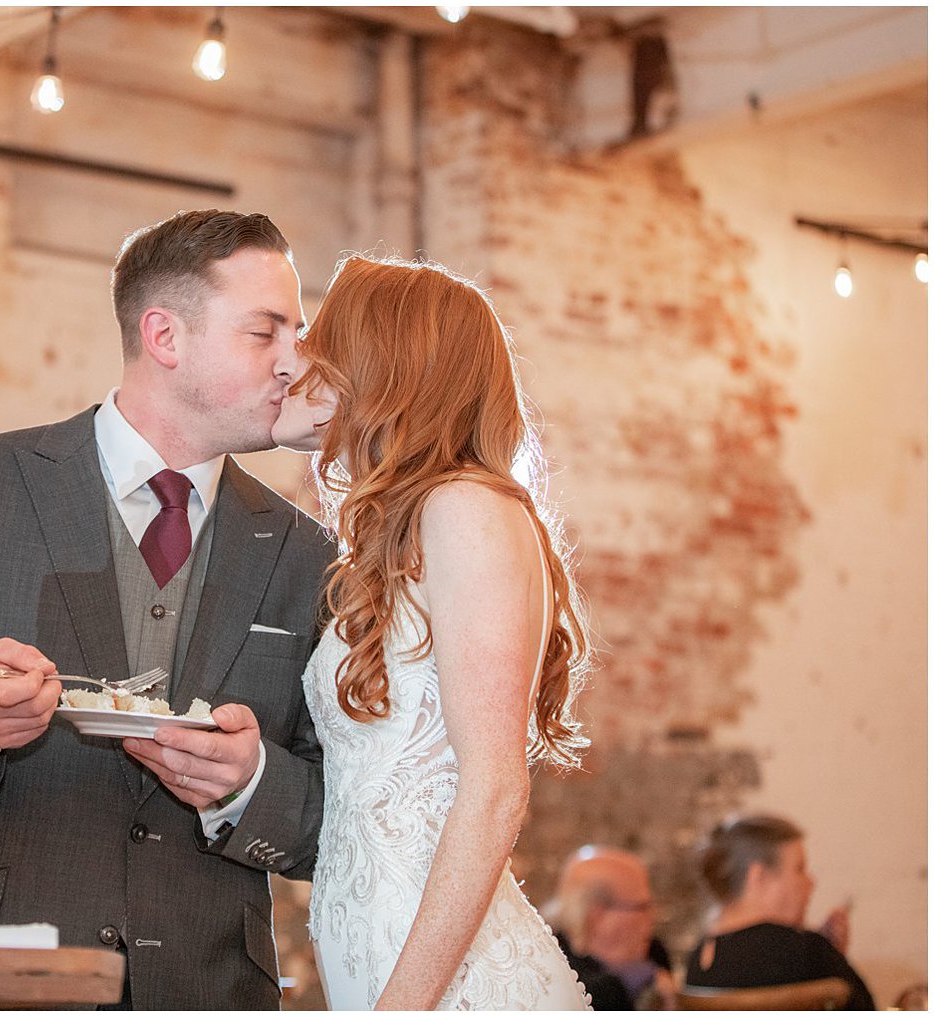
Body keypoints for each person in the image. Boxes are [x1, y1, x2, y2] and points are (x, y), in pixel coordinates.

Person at [0, 210, 334, 1009]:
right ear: (165, 337)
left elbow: (346, 818)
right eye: (265, 332)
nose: (294, 363)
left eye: (297, 333)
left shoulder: (309, 552)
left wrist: (252, 782)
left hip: (209, 991)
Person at [272, 254, 594, 1009]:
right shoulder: (406, 529)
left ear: (382, 362)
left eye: (322, 337)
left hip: (455, 994)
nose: (294, 358)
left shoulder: (466, 509)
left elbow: (493, 791)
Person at [685, 814, 873, 1009]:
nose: (811, 882)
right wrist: (830, 959)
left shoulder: (697, 961)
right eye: (799, 869)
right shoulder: (809, 954)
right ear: (759, 877)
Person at [548, 846, 676, 1009]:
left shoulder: (654, 953)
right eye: (642, 907)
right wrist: (623, 983)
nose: (653, 916)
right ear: (598, 915)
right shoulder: (553, 965)